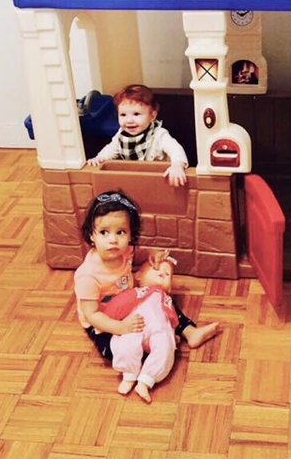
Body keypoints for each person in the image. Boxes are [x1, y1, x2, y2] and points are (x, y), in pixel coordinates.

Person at [74, 190, 219, 373]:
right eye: (104, 232)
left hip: (128, 301)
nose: (113, 240)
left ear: (130, 235)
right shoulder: (88, 276)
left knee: (162, 298)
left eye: (121, 232)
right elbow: (92, 315)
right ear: (91, 235)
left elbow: (138, 253)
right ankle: (156, 345)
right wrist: (120, 327)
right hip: (104, 319)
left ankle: (189, 332)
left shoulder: (125, 251)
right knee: (113, 351)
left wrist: (152, 253)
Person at [106, 255, 180, 402]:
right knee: (126, 342)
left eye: (167, 274)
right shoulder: (139, 292)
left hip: (159, 330)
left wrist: (173, 334)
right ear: (138, 276)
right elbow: (119, 304)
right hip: (136, 324)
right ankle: (129, 375)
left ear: (170, 287)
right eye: (156, 269)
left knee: (165, 347)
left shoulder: (167, 300)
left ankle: (146, 380)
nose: (162, 273)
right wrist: (108, 319)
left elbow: (171, 317)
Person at [87, 84, 189, 187]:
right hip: (136, 178)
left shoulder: (159, 135)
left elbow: (176, 150)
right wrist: (99, 158)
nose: (129, 120)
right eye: (123, 115)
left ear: (152, 116)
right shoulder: (121, 135)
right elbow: (111, 148)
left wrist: (177, 166)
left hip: (160, 179)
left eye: (136, 114)